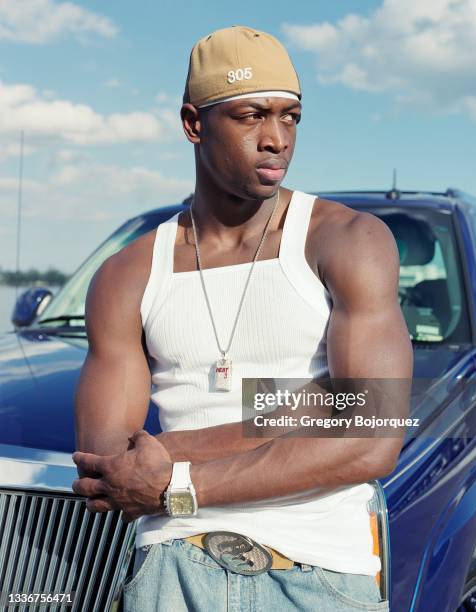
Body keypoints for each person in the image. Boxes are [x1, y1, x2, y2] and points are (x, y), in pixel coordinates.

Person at [72, 25, 412, 611]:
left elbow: (371, 439)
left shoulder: (349, 240)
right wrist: (317, 401)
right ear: (193, 123)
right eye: (252, 116)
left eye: (291, 117)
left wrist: (176, 467)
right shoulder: (127, 274)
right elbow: (113, 464)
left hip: (320, 569)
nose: (277, 139)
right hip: (171, 569)